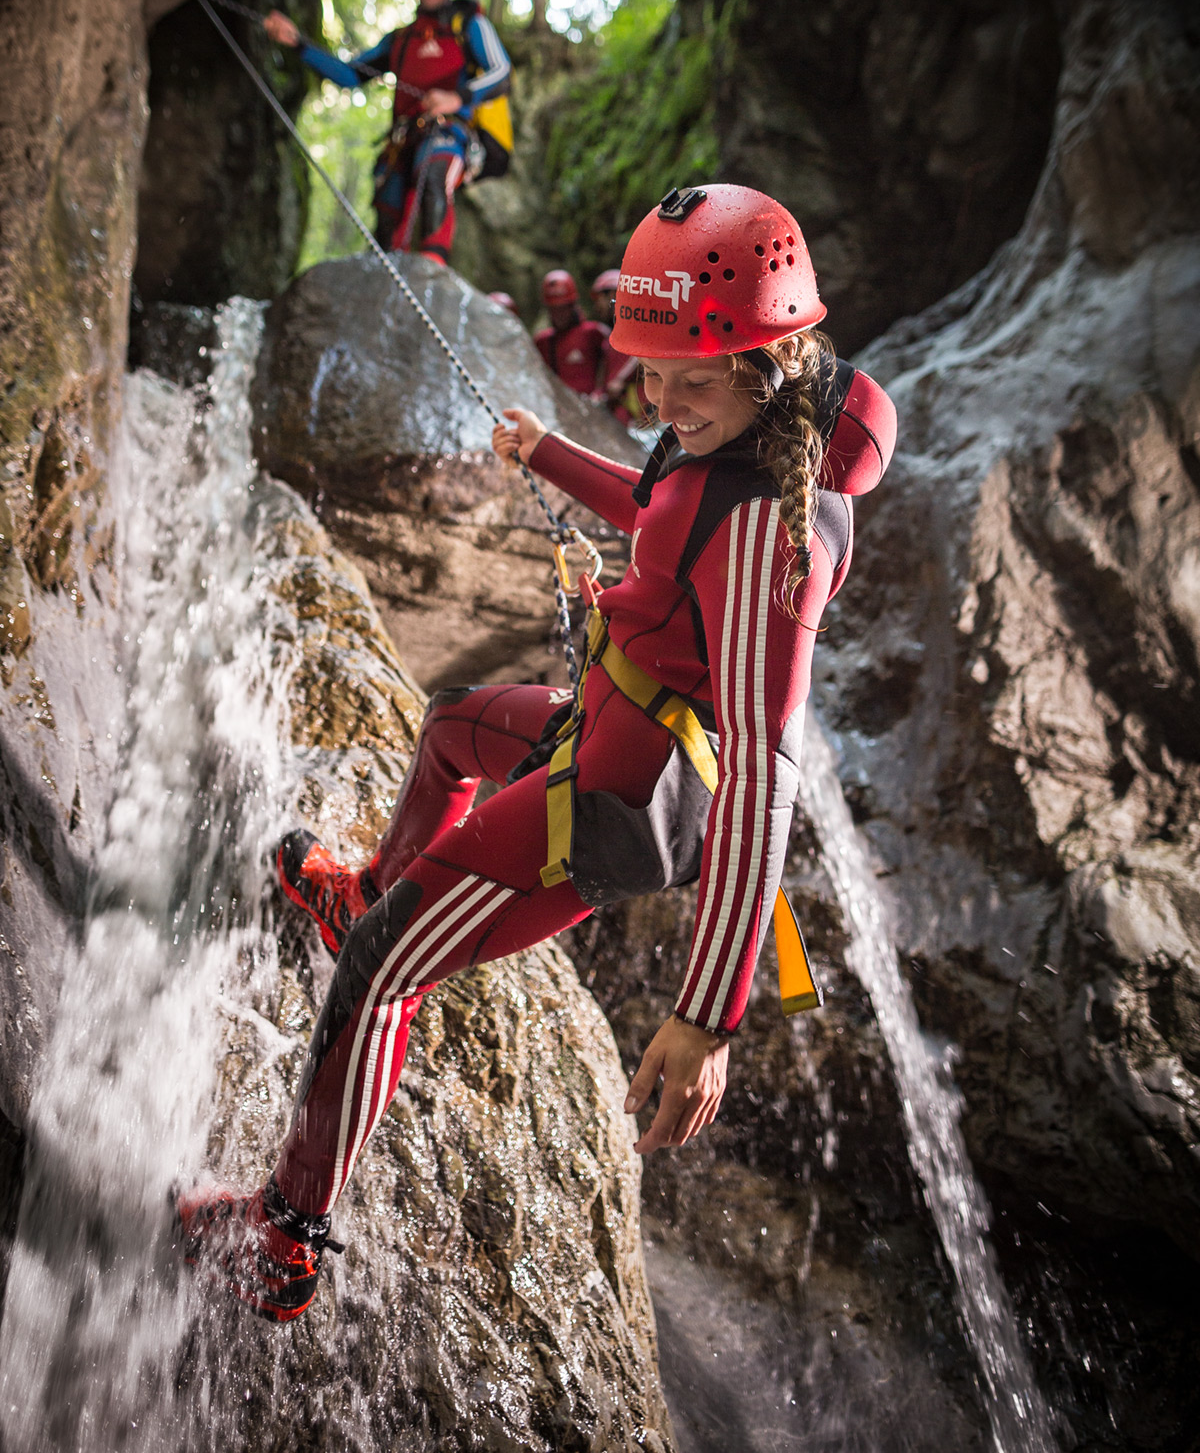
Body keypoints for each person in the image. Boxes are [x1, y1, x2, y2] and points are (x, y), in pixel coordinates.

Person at [176, 183, 897, 1321]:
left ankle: (286, 1234)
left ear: (770, 357)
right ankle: (367, 886)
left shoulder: (774, 526)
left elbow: (765, 765)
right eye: (649, 373)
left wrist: (709, 1013)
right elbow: (662, 503)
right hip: (606, 721)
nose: (661, 399)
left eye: (688, 382)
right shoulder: (735, 429)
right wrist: (551, 455)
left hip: (619, 801)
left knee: (377, 971)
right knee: (455, 724)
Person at [264, 0, 511, 264]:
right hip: (401, 145)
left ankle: (433, 275)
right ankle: (385, 286)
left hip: (447, 134)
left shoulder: (469, 25)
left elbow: (502, 73)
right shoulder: (400, 40)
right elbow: (351, 76)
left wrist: (457, 97)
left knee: (435, 177)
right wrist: (298, 43)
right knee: (387, 217)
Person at [533, 269, 609, 397]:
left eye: (563, 308)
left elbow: (614, 365)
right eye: (554, 309)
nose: (559, 315)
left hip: (595, 409)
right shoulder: (543, 342)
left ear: (572, 305)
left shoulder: (595, 333)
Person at [591, 267, 645, 424]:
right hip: (619, 417)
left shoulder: (637, 330)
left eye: (599, 299)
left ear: (613, 295)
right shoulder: (611, 338)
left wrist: (620, 380)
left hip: (636, 415)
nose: (597, 306)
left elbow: (639, 356)